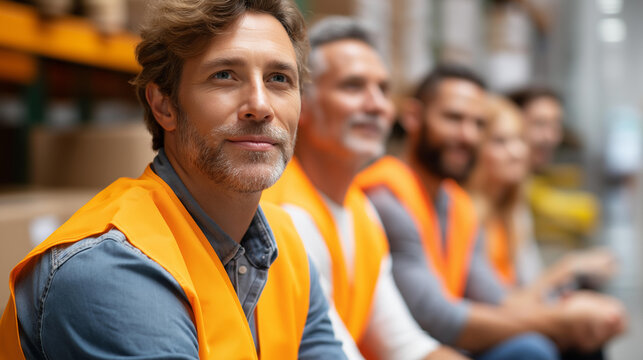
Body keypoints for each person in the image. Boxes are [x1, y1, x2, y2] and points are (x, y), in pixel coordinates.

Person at [0, 1, 347, 359]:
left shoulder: (284, 248)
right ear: (164, 105)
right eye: (225, 75)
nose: (260, 105)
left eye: (279, 79)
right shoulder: (113, 269)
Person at [355, 64, 625, 359]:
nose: (468, 135)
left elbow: (497, 298)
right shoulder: (386, 199)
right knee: (533, 350)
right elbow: (434, 316)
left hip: (447, 341)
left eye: (478, 124)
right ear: (413, 117)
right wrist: (562, 319)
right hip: (419, 348)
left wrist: (571, 315)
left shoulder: (456, 204)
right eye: (453, 118)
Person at [263, 17, 465, 360]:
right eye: (353, 86)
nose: (376, 106)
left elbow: (406, 346)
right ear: (301, 104)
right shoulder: (284, 215)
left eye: (384, 90)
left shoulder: (362, 212)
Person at [508, 87, 614, 288]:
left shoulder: (522, 190)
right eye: (539, 124)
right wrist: (572, 266)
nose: (550, 136)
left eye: (555, 125)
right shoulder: (501, 193)